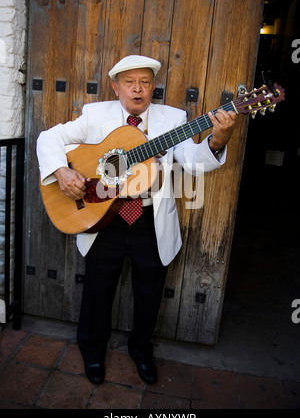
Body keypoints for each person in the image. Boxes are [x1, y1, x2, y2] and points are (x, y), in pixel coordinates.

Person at [37, 55, 237, 385]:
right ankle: (92, 349)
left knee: (149, 291)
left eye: (144, 82)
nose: (137, 89)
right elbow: (49, 138)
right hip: (103, 217)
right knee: (98, 289)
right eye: (129, 82)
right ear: (116, 87)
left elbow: (191, 162)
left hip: (150, 219)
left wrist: (218, 140)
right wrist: (61, 170)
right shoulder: (95, 114)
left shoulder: (174, 119)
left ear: (153, 86)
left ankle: (141, 350)